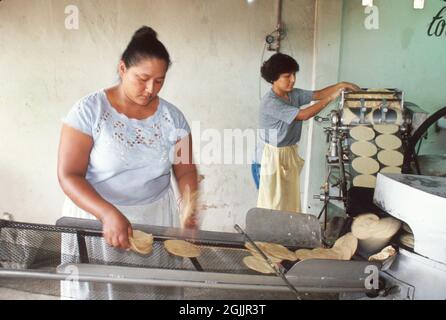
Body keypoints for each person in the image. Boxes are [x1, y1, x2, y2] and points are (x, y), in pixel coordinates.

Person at [57, 26, 198, 299]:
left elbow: (186, 170)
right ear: (122, 69)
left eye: (159, 81)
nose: (150, 89)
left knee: (148, 291)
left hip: (154, 219)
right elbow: (69, 175)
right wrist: (108, 214)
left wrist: (189, 208)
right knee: (101, 291)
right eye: (142, 79)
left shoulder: (173, 118)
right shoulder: (89, 112)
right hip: (97, 220)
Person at [252, 53, 359, 213]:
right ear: (274, 78)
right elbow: (303, 115)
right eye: (287, 76)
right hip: (268, 159)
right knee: (272, 210)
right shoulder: (271, 102)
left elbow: (317, 94)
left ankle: (285, 238)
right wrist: (332, 97)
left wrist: (341, 85)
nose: (293, 79)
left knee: (288, 206)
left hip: (286, 153)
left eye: (294, 74)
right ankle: (268, 239)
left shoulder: (292, 94)